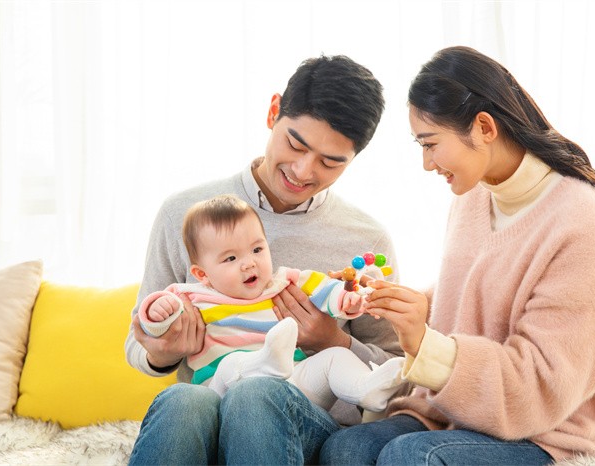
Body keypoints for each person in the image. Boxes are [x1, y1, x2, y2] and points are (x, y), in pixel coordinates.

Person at [320, 46, 595, 465]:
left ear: (484, 127)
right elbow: (474, 294)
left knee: (411, 457)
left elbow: (539, 387)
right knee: (346, 448)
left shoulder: (581, 220)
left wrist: (425, 341)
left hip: (551, 429)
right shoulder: (473, 196)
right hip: (458, 413)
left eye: (431, 144)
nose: (427, 163)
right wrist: (395, 303)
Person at [126, 54, 405, 465]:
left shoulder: (365, 238)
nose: (303, 170)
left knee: (256, 395)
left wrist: (333, 341)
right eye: (296, 144)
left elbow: (397, 368)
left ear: (353, 159)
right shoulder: (183, 214)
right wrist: (163, 351)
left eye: (330, 162)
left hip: (300, 422)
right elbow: (137, 343)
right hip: (207, 407)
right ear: (274, 111)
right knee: (182, 399)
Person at [138, 194, 404, 411]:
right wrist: (158, 310)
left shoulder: (283, 281)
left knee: (335, 356)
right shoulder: (195, 296)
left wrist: (347, 300)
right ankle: (263, 362)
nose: (249, 263)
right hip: (223, 393)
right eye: (231, 258)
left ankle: (364, 389)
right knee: (232, 363)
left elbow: (326, 289)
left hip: (293, 386)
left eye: (257, 250)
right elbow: (154, 315)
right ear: (202, 274)